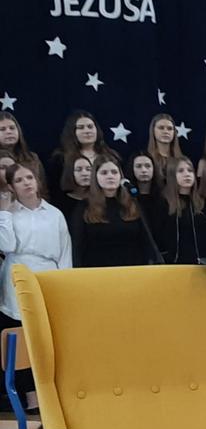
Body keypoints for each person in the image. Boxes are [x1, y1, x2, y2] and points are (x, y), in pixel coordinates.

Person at [0, 162, 72, 410]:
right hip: (18, 275)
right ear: (11, 187)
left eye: (29, 177)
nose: (27, 183)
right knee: (22, 338)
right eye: (19, 180)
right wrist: (4, 213)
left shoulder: (54, 213)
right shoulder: (9, 214)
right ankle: (31, 397)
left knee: (47, 337)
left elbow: (64, 251)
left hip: (47, 275)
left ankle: (53, 391)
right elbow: (6, 245)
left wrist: (65, 283)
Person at [70, 155, 160, 267]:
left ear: (120, 176)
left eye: (114, 172)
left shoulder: (132, 203)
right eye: (104, 173)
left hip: (133, 269)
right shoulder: (84, 207)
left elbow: (146, 240)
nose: (110, 176)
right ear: (95, 177)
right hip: (98, 271)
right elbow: (77, 246)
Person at [152, 157, 206, 264]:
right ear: (172, 175)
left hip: (204, 264)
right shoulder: (163, 203)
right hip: (173, 265)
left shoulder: (204, 204)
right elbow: (158, 236)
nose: (187, 174)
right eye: (181, 171)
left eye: (190, 170)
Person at [146, 113, 184, 181]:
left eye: (170, 128)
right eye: (161, 128)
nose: (166, 131)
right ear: (153, 130)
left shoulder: (182, 161)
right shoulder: (146, 159)